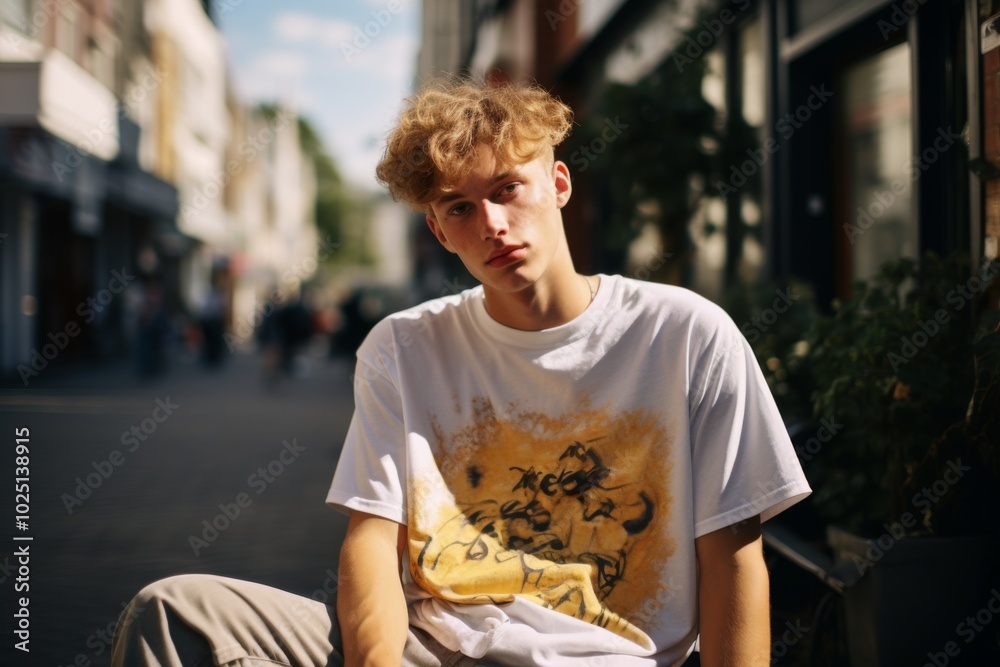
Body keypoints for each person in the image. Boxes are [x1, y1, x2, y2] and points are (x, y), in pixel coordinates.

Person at [111, 81, 810, 666]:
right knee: (172, 612)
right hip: (432, 647)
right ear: (440, 232)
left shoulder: (686, 333)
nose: (493, 223)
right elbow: (371, 544)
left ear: (559, 183)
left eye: (509, 189)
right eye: (460, 207)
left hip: (606, 656)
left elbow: (734, 561)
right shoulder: (404, 347)